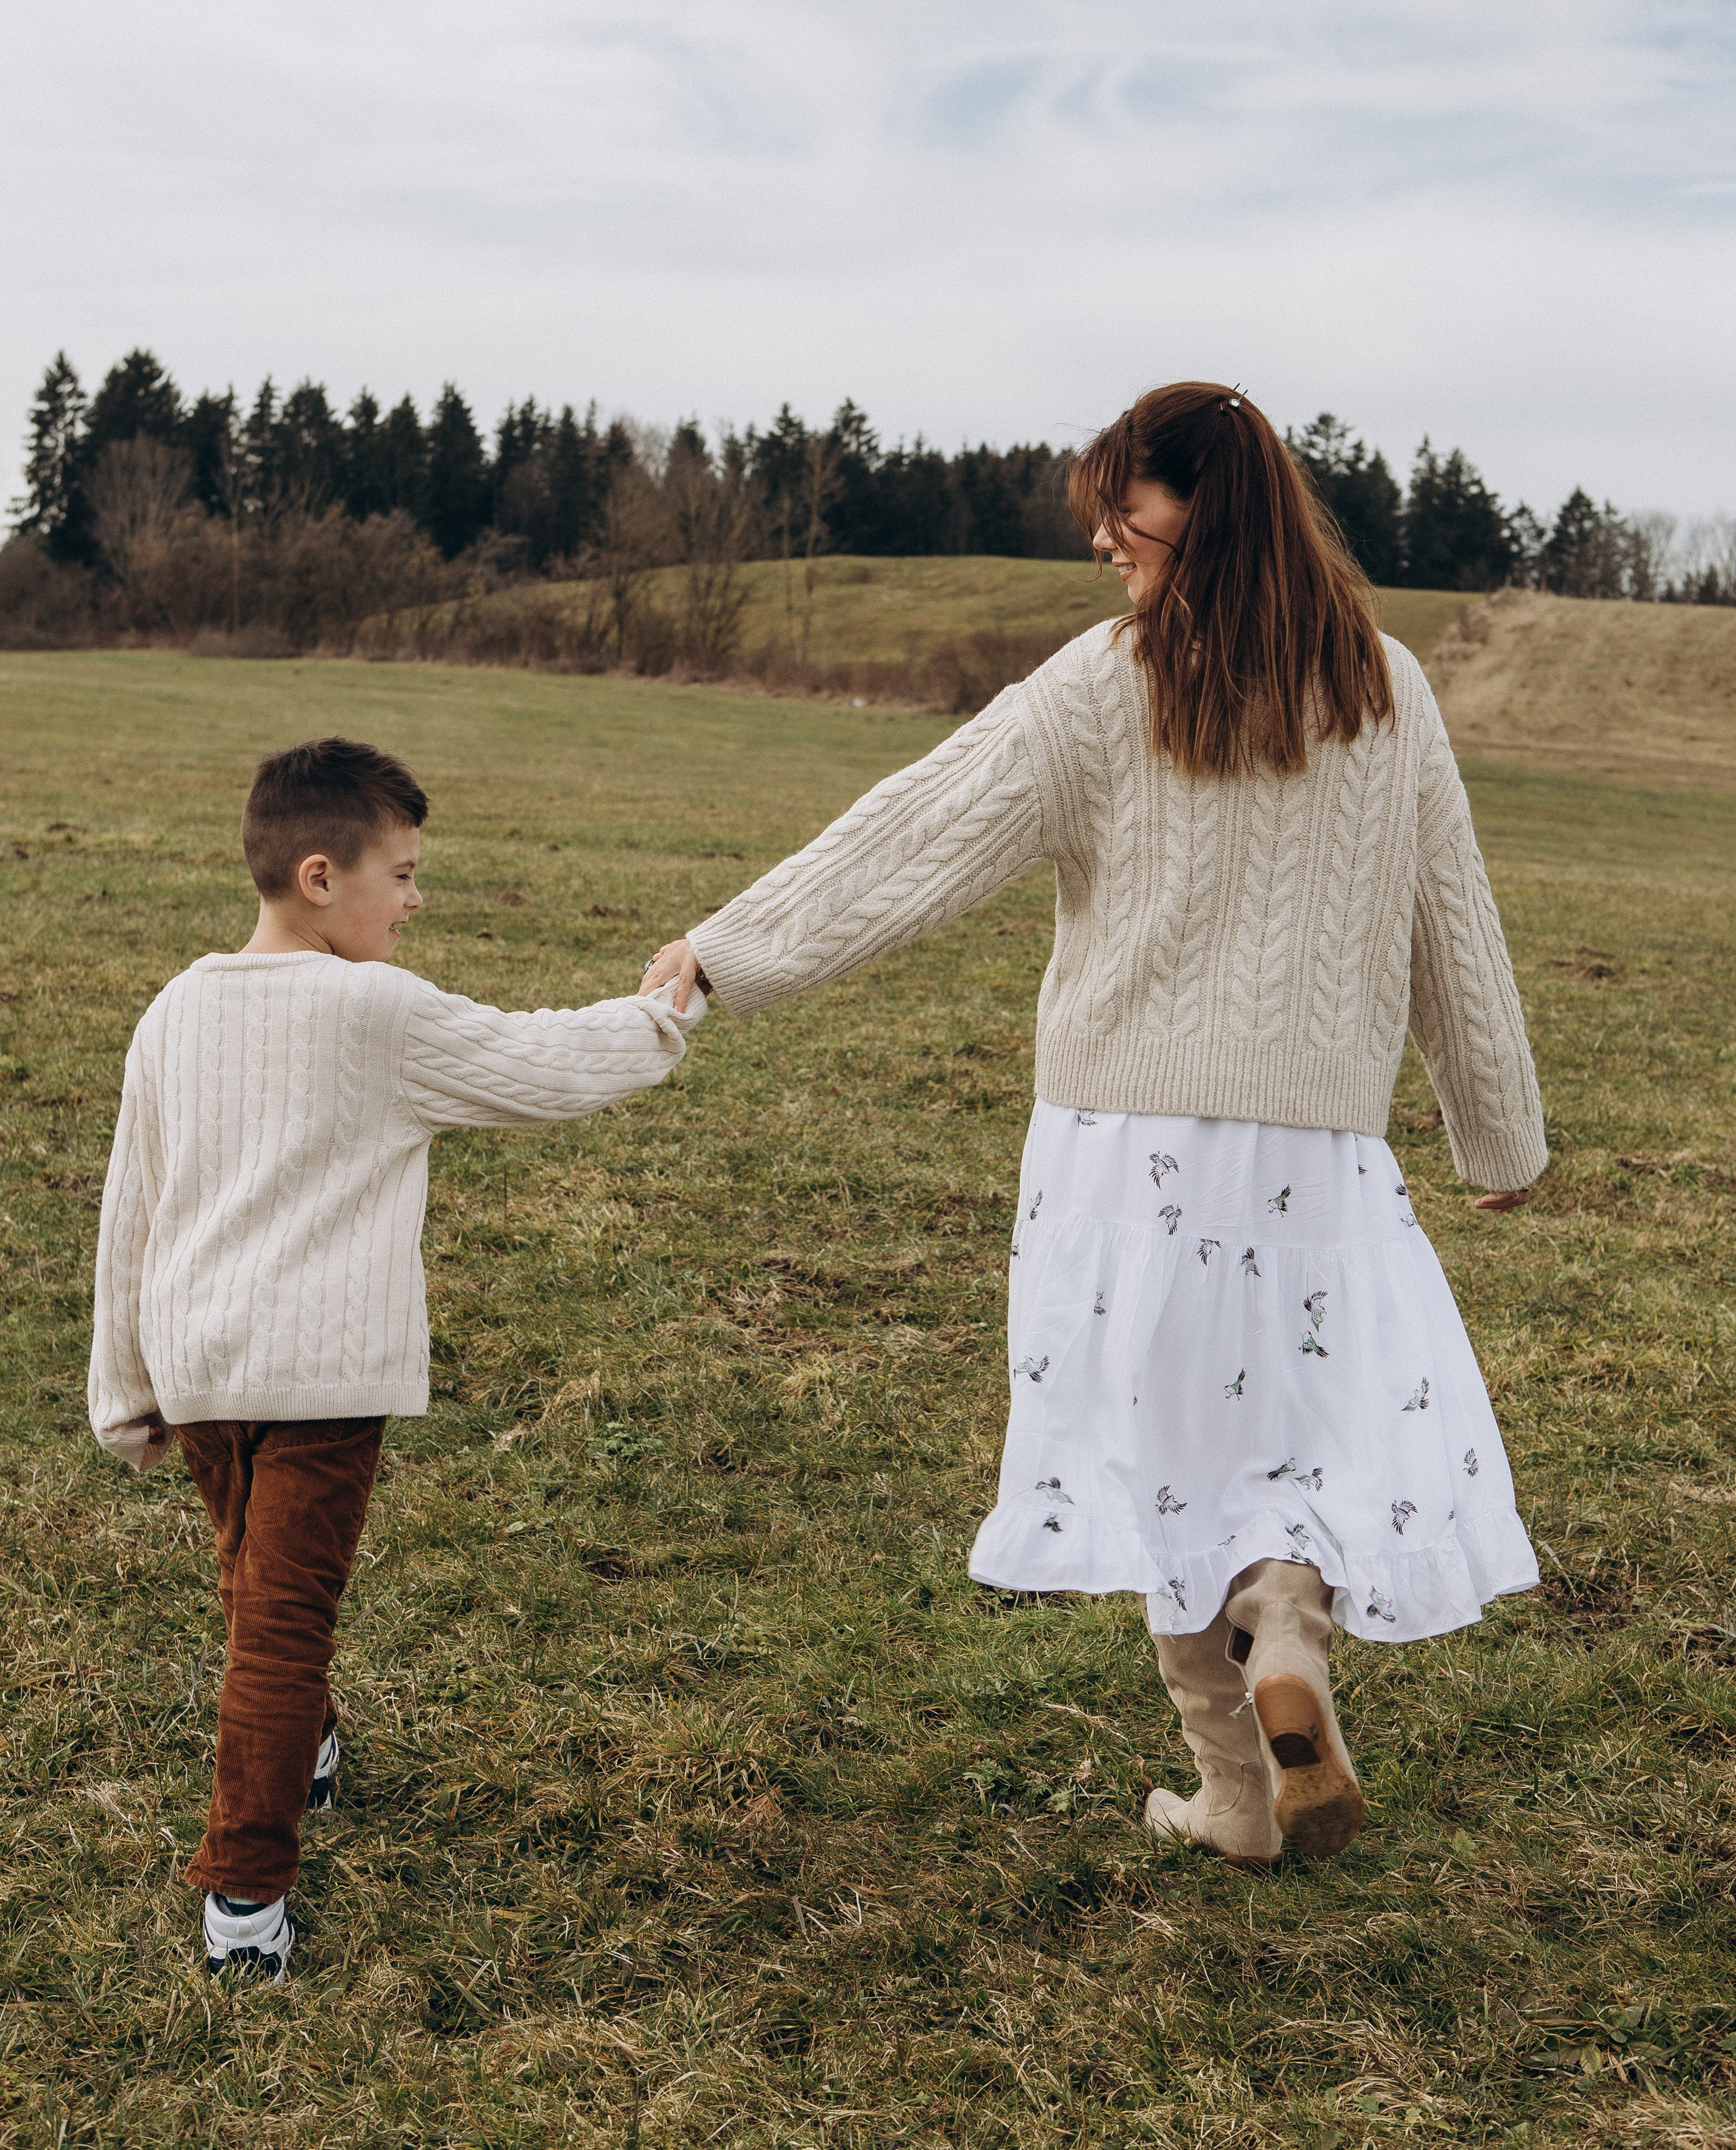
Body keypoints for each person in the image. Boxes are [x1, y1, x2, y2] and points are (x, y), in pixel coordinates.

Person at [642, 382, 1545, 1868]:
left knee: (1162, 1459)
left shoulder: (1106, 682)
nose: (1103, 543)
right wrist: (1497, 1136)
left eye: (1126, 512)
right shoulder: (1383, 684)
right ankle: (1288, 1642)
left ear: (1207, 507)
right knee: (1302, 1441)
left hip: (1124, 1156)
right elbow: (1454, 921)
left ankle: (1235, 1795)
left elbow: (918, 832)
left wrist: (729, 949)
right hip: (1314, 1156)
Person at [88, 735, 703, 1980]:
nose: (417, 900)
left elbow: (130, 1209)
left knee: (254, 1587)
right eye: (405, 875)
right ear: (321, 877)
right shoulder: (377, 1010)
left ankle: (305, 1748)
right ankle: (244, 1899)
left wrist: (128, 1386)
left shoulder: (175, 1005)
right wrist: (661, 1015)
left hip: (199, 1364)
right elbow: (543, 1065)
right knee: (282, 1630)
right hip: (318, 1381)